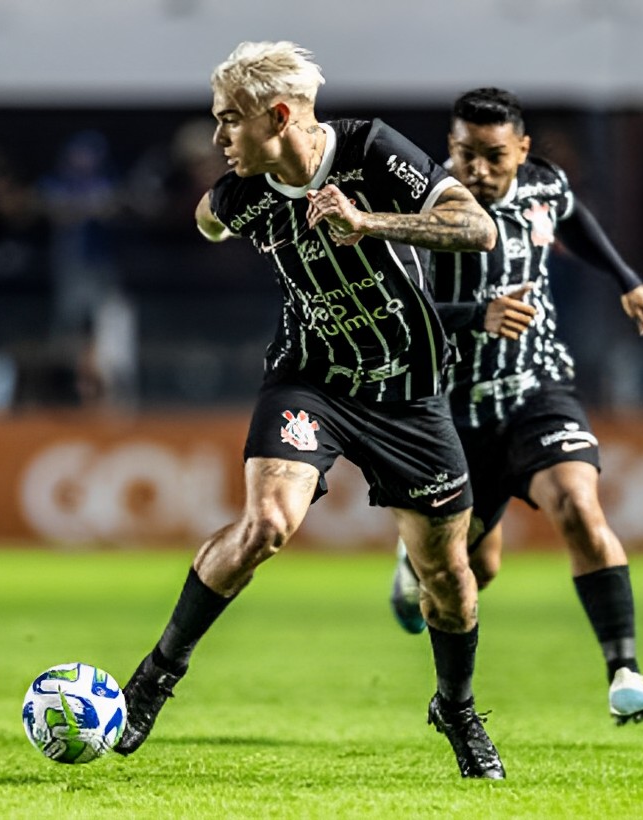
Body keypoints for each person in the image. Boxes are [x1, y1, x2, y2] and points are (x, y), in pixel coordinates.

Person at [116, 41, 505, 779]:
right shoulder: (243, 190)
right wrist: (218, 218)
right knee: (267, 524)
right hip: (311, 381)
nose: (218, 139)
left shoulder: (369, 150)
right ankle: (155, 677)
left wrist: (370, 223)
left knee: (448, 579)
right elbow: (207, 219)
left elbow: (477, 229)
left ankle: (455, 708)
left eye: (229, 121)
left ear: (280, 115)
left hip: (408, 393)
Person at [387, 88, 643, 726]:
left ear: (522, 151)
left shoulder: (544, 187)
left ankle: (624, 672)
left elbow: (571, 217)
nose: (477, 170)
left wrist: (629, 280)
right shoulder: (421, 203)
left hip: (535, 388)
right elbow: (393, 310)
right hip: (451, 413)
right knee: (473, 570)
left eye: (493, 156)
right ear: (449, 148)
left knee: (575, 502)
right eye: (464, 154)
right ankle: (415, 566)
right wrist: (475, 315)